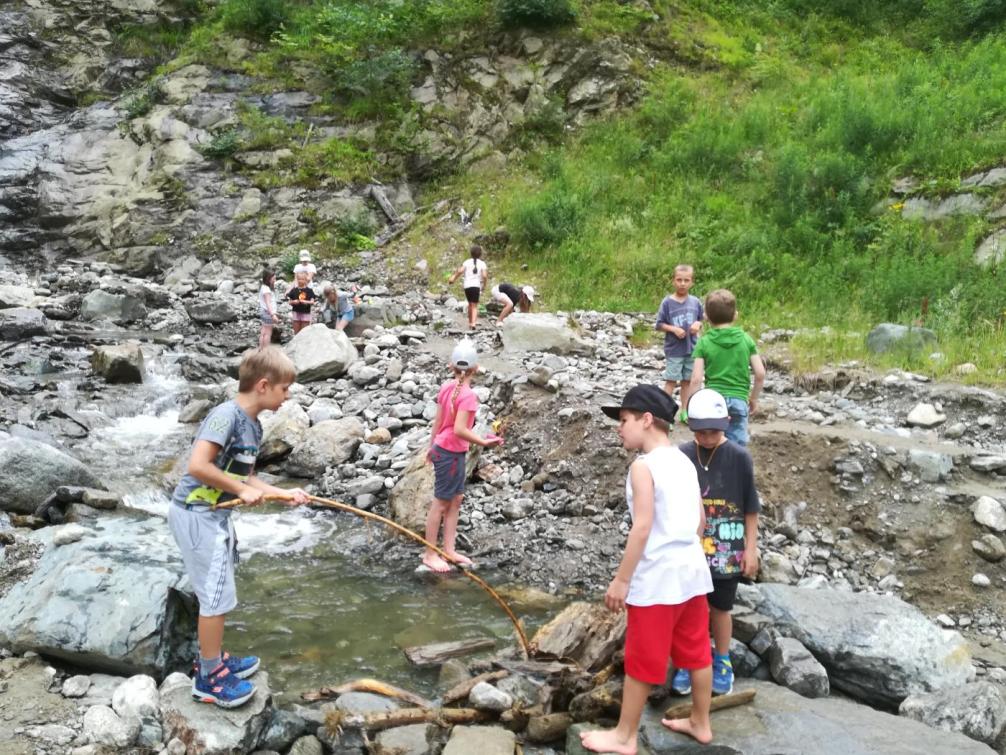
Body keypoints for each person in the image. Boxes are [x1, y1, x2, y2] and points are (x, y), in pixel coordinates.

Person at [168, 347, 309, 708]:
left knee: (221, 589)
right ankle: (209, 679)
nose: (287, 396)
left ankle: (212, 656)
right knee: (214, 596)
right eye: (284, 389)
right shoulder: (224, 416)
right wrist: (242, 491)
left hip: (214, 515)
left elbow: (246, 476)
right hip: (196, 513)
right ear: (264, 386)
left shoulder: (253, 425)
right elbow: (198, 466)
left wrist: (282, 493)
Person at [580, 384, 714, 753]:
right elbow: (701, 521)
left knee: (642, 658)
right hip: (692, 573)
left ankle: (624, 737)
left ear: (647, 419)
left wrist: (622, 580)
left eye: (624, 420)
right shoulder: (685, 460)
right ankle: (701, 722)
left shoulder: (644, 466)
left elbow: (641, 527)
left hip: (658, 578)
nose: (619, 428)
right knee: (697, 650)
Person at [672, 388, 760, 698]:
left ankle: (721, 660)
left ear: (726, 423)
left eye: (714, 431)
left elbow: (751, 507)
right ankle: (688, 659)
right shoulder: (682, 455)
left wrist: (751, 549)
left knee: (721, 607)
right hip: (690, 548)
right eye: (700, 431)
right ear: (690, 425)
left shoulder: (739, 457)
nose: (707, 437)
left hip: (728, 550)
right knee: (689, 606)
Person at [423, 339, 503, 573]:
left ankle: (448, 549)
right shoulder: (468, 395)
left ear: (452, 366)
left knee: (455, 500)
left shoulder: (448, 386)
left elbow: (439, 422)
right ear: (475, 368)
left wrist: (431, 446)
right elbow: (459, 429)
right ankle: (429, 553)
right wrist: (484, 441)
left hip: (448, 449)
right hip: (449, 453)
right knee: (440, 503)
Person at [689, 289, 765, 446]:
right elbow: (760, 374)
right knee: (737, 445)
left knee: (712, 443)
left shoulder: (704, 342)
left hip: (714, 401)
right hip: (739, 399)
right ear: (735, 315)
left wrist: (691, 406)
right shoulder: (746, 340)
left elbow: (696, 379)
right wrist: (754, 399)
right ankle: (738, 469)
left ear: (706, 317)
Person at [655, 264, 703, 421]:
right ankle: (665, 413)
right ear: (673, 281)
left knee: (687, 381)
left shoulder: (695, 302)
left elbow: (701, 319)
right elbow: (659, 324)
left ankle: (685, 410)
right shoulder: (667, 303)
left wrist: (698, 325)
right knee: (671, 381)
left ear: (692, 282)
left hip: (692, 348)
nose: (682, 283)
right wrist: (673, 329)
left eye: (686, 280)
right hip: (674, 350)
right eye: (679, 280)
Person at [448, 244, 488, 330]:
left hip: (467, 286)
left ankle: (470, 322)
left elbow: (460, 271)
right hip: (476, 286)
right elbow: (484, 276)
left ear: (471, 253)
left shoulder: (466, 262)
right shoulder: (482, 264)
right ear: (480, 254)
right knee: (474, 305)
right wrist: (484, 285)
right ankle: (473, 323)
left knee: (470, 304)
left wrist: (453, 278)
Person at [286, 271, 317, 335]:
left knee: (304, 333)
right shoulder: (294, 290)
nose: (300, 281)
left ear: (306, 280)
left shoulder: (309, 290)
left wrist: (305, 301)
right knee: (296, 333)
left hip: (306, 313)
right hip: (296, 312)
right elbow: (289, 301)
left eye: (302, 279)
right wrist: (293, 302)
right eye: (299, 279)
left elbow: (312, 302)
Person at [258, 269, 279, 349]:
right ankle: (265, 350)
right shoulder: (267, 290)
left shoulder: (263, 287)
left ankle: (261, 348)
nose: (275, 280)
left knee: (263, 331)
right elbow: (268, 303)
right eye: (274, 279)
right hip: (268, 313)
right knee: (268, 333)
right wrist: (273, 314)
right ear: (268, 279)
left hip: (263, 312)